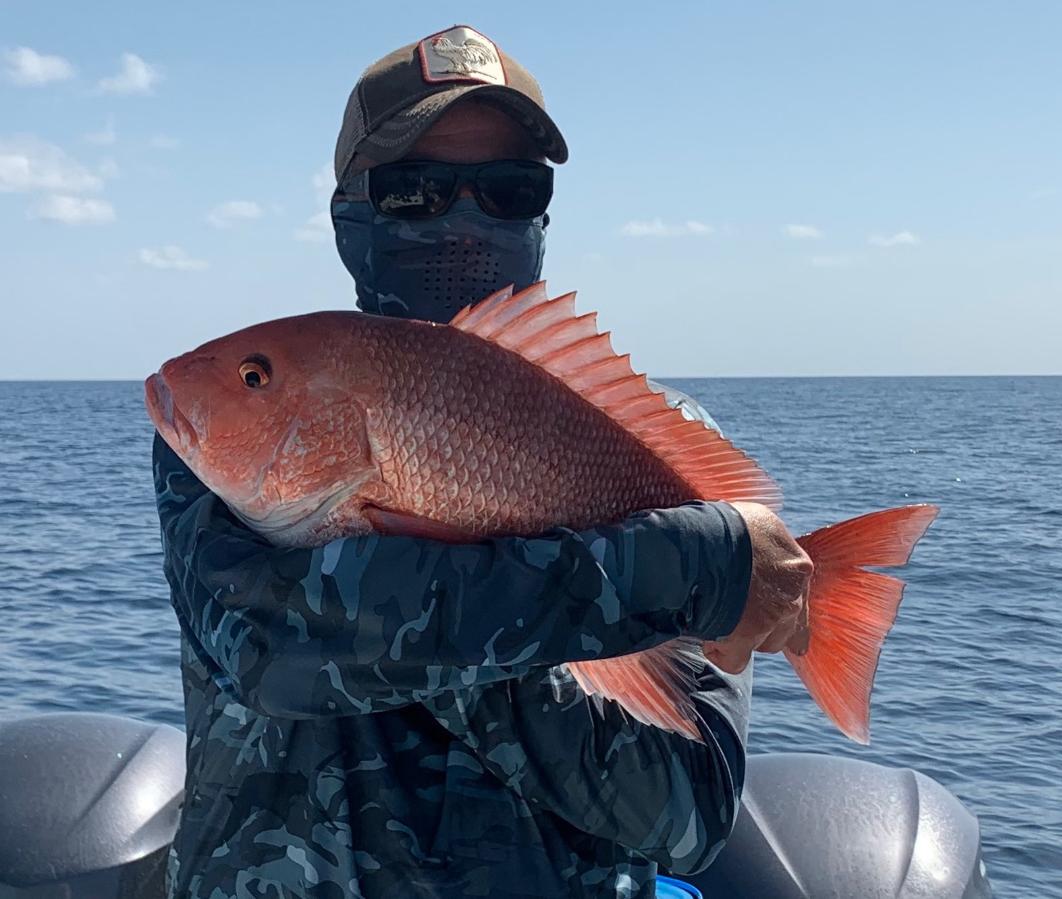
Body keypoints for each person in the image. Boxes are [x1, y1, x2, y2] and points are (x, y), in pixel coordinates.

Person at [153, 25, 812, 899]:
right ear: (350, 211)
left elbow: (688, 818)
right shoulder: (227, 430)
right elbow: (276, 649)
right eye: (416, 190)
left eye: (506, 190)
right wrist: (683, 571)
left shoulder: (663, 448)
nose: (464, 222)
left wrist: (473, 569)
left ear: (542, 213)